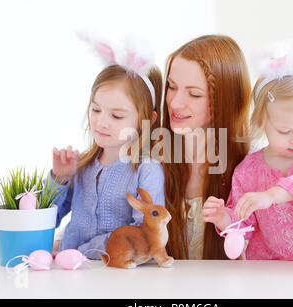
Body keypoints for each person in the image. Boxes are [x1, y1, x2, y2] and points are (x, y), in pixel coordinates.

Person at [203, 30, 293, 260]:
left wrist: (271, 195)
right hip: (269, 270)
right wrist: (222, 217)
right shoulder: (248, 171)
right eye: (285, 131)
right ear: (261, 122)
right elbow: (243, 222)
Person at [50, 36, 165, 259]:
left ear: (147, 120)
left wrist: (77, 252)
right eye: (96, 110)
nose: (101, 122)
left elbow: (145, 234)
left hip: (119, 276)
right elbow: (47, 220)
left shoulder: (146, 171)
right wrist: (59, 179)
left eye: (116, 115)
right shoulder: (81, 166)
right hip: (71, 273)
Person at [158, 35, 252, 259]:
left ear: (225, 100)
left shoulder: (251, 165)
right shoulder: (154, 159)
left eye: (194, 94)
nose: (175, 102)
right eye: (171, 87)